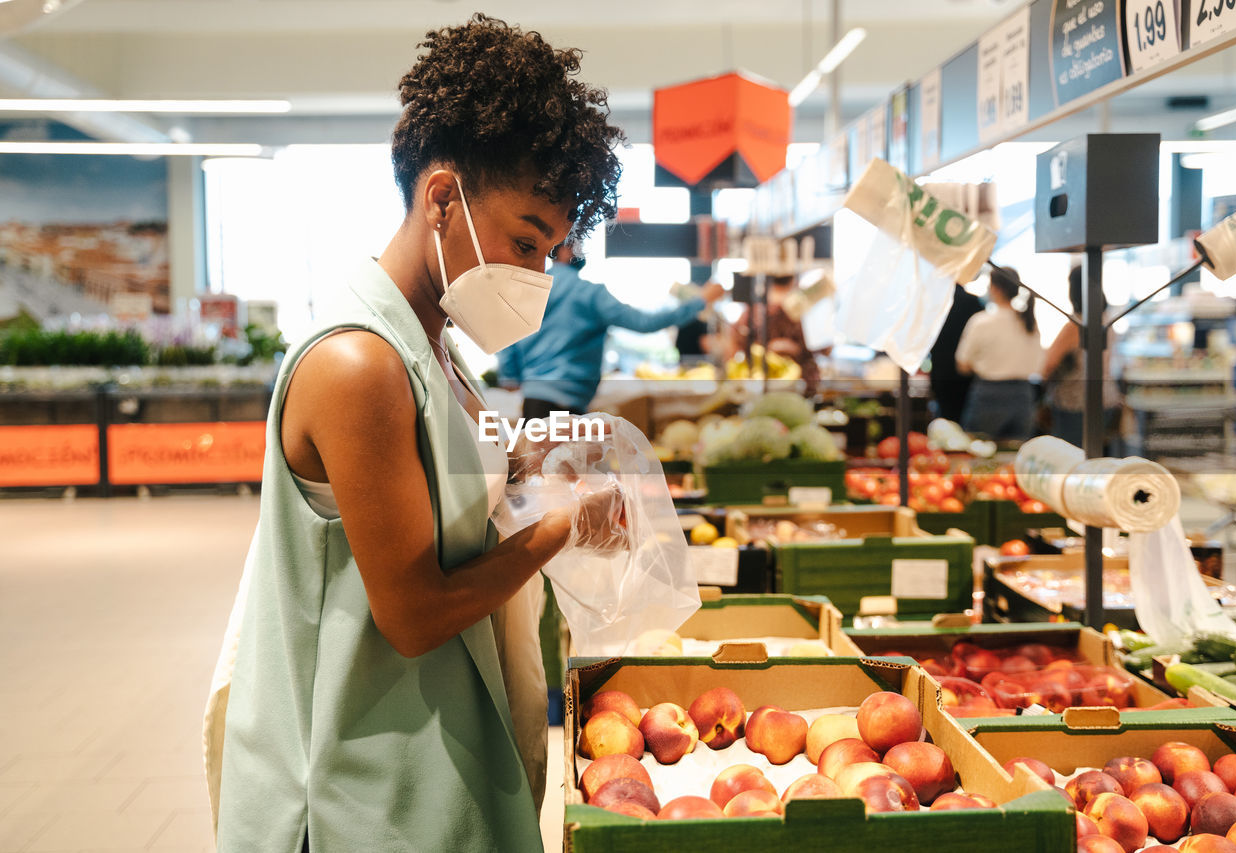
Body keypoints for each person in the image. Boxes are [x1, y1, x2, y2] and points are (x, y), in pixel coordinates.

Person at [205, 16, 626, 851]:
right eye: (525, 242)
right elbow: (413, 611)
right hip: (356, 782)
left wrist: (523, 458)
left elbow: (441, 463)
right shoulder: (358, 364)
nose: (537, 275)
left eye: (550, 250)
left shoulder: (432, 344)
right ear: (442, 198)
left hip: (430, 743)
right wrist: (559, 526)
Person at [496, 243, 724, 419]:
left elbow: (506, 338)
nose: (582, 251)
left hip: (533, 401)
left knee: (537, 477)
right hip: (567, 405)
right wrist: (701, 301)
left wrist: (510, 376)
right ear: (564, 249)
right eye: (579, 244)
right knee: (565, 476)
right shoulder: (588, 294)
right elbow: (644, 323)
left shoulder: (529, 292)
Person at [955, 265, 1044, 441]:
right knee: (1017, 456)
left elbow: (962, 365)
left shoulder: (982, 322)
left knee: (979, 452)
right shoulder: (1029, 323)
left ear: (996, 288)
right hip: (1023, 394)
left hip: (989, 393)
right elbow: (1038, 364)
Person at [1041, 264, 1123, 449]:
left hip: (1075, 401)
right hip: (1107, 398)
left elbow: (1048, 364)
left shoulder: (1076, 325)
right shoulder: (1107, 320)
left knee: (1070, 458)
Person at [729, 273, 822, 395]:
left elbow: (733, 347)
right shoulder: (755, 311)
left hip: (791, 387)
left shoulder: (752, 311)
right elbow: (825, 349)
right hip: (780, 388)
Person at [928, 282, 984, 423]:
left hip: (942, 374)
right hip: (966, 376)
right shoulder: (973, 302)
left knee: (946, 422)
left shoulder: (937, 303)